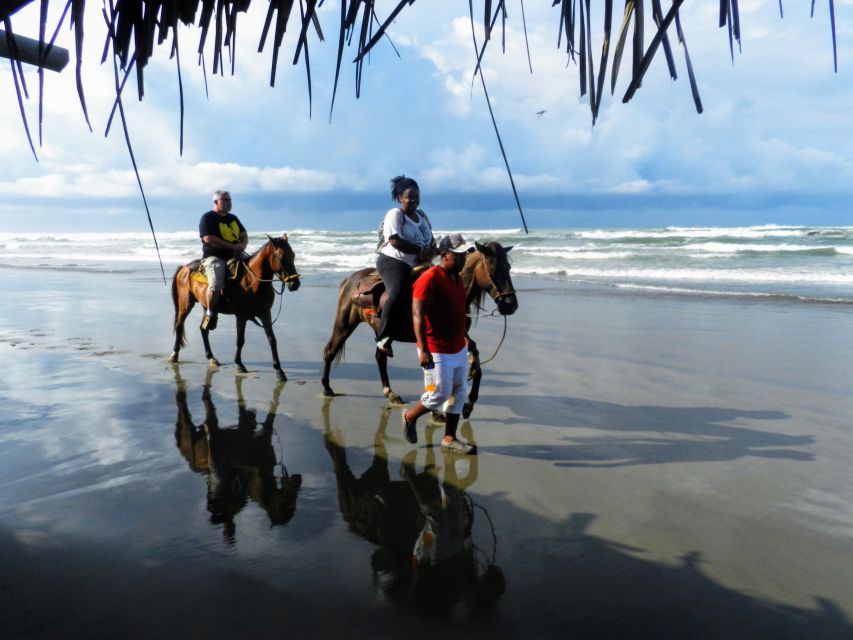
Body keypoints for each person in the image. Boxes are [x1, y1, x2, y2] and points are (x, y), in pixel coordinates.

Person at [402, 233, 476, 454]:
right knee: (440, 394)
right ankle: (409, 416)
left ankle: (449, 438)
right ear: (444, 255)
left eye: (465, 255)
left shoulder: (458, 280)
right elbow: (417, 314)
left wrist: (466, 337)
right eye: (459, 255)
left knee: (459, 391)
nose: (464, 259)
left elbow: (459, 313)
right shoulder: (430, 278)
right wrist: (423, 349)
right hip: (436, 348)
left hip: (457, 346)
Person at [375, 175, 435, 357]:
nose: (413, 200)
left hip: (419, 263)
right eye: (409, 197)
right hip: (395, 261)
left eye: (416, 197)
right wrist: (420, 250)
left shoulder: (422, 216)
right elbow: (394, 240)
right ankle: (383, 337)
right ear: (400, 197)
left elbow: (430, 239)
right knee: (398, 291)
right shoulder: (395, 214)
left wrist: (434, 250)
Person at [198, 190, 248, 330]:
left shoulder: (233, 218)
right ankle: (210, 313)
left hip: (234, 255)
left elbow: (244, 234)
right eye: (225, 200)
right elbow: (208, 239)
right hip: (214, 257)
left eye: (229, 200)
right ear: (216, 202)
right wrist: (232, 246)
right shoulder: (207, 218)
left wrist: (242, 246)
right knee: (215, 282)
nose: (228, 202)